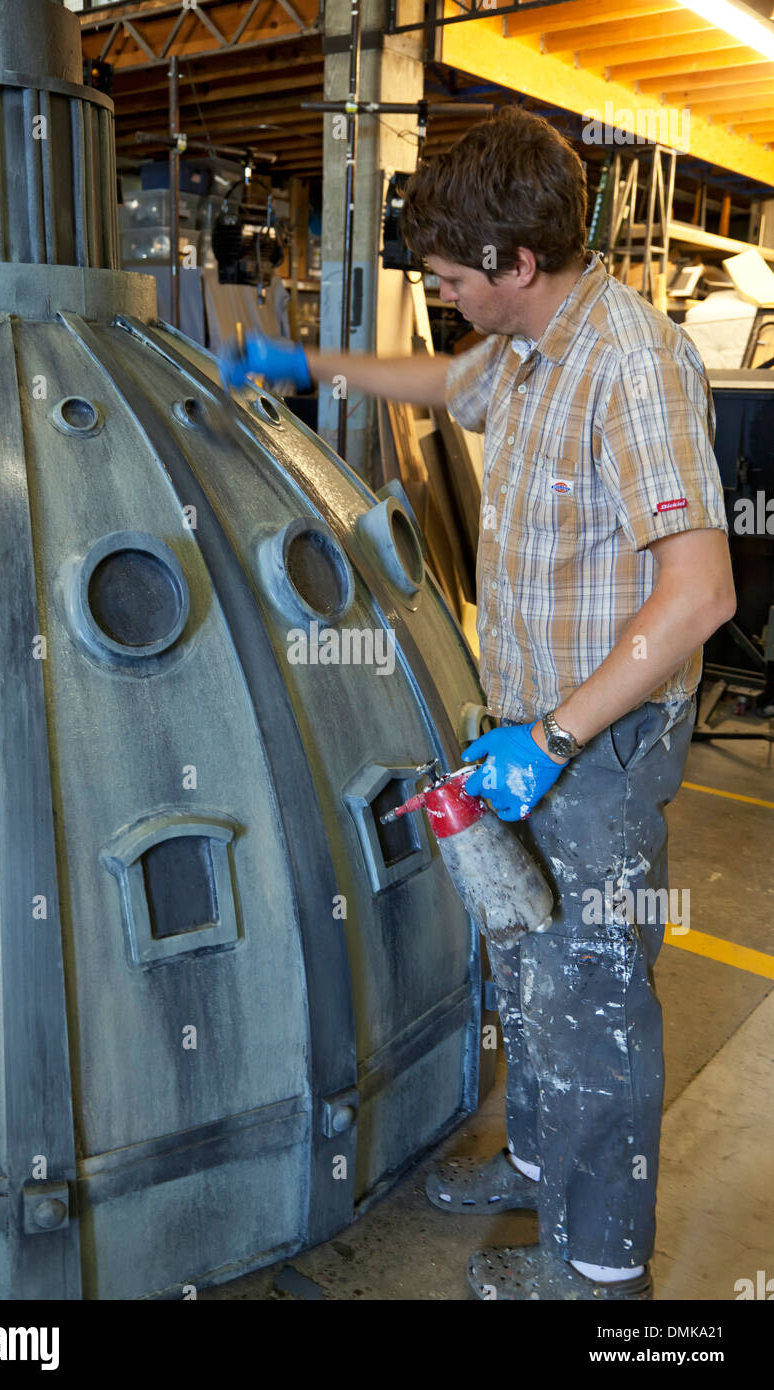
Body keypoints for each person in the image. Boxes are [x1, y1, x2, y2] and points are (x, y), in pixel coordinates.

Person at [219, 106, 735, 1301]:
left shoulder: (628, 364)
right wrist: (309, 368)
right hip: (524, 723)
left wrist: (552, 740)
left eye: (453, 277)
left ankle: (598, 1270)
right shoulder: (524, 346)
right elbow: (447, 378)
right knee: (529, 964)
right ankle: (538, 1157)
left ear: (514, 264)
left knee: (591, 996)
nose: (444, 294)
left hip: (590, 747)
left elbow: (699, 590)